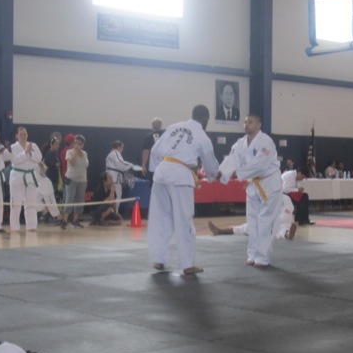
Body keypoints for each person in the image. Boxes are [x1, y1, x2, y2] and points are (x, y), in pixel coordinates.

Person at [147, 104, 220, 275]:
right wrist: (214, 175)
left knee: (160, 218)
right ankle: (187, 264)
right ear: (205, 119)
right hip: (180, 177)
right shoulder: (202, 136)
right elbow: (210, 163)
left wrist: (158, 171)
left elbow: (155, 150)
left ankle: (158, 259)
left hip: (161, 174)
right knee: (184, 221)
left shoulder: (174, 127)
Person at [226, 114, 283, 267]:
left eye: (250, 122)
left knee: (265, 222)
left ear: (258, 125)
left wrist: (237, 172)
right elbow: (231, 159)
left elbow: (260, 165)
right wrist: (221, 172)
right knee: (252, 222)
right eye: (245, 122)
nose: (246, 124)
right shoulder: (240, 143)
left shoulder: (266, 141)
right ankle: (252, 255)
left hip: (269, 184)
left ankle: (262, 257)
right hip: (253, 184)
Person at [208, 194, 297, 240]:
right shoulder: (266, 198)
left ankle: (289, 235)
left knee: (284, 228)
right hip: (267, 223)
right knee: (247, 226)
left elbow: (286, 215)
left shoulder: (286, 199)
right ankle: (220, 231)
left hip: (281, 222)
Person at [9, 126, 42, 232]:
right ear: (16, 136)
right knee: (16, 203)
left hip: (30, 176)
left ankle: (31, 225)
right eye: (21, 134)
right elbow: (15, 160)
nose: (23, 136)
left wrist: (29, 153)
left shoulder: (33, 145)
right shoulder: (13, 147)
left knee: (31, 203)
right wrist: (25, 153)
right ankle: (15, 227)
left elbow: (39, 159)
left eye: (25, 134)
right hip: (17, 177)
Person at [60, 134, 88, 229]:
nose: (77, 145)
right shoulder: (69, 152)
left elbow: (85, 167)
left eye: (79, 143)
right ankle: (64, 221)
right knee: (69, 200)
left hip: (82, 181)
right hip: (71, 180)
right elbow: (71, 162)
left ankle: (75, 221)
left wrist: (86, 179)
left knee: (80, 201)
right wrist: (76, 152)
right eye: (75, 143)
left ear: (82, 145)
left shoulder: (85, 154)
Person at [105, 140, 135, 209]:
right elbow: (120, 163)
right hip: (114, 178)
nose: (122, 149)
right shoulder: (116, 153)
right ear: (119, 147)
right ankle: (115, 212)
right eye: (122, 147)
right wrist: (131, 165)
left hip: (110, 176)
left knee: (111, 195)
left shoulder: (111, 154)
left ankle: (111, 212)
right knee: (117, 195)